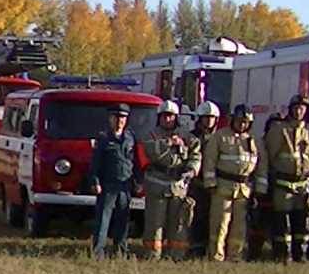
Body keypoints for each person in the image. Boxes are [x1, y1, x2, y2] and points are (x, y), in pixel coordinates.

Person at [258, 94, 309, 263]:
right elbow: (270, 155)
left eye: (302, 109)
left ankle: (301, 255)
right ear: (290, 110)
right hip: (283, 184)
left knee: (302, 222)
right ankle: (282, 255)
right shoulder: (279, 130)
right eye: (296, 108)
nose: (299, 111)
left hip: (303, 184)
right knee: (282, 222)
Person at [140, 100, 202, 260]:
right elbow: (151, 152)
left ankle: (177, 255)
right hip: (156, 184)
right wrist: (168, 142)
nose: (167, 119)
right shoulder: (151, 135)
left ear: (177, 117)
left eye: (171, 116)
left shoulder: (186, 135)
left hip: (178, 185)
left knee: (179, 223)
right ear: (159, 117)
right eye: (164, 116)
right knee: (155, 223)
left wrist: (191, 169)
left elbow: (196, 153)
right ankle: (152, 255)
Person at [202, 104, 259, 262]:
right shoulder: (220, 137)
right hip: (222, 187)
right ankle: (216, 255)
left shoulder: (254, 141)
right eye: (240, 121)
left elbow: (262, 166)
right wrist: (210, 183)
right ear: (232, 120)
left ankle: (235, 255)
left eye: (245, 122)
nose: (242, 124)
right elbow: (210, 161)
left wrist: (260, 188)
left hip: (244, 190)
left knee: (239, 227)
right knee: (219, 224)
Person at [88, 103, 141, 259]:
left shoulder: (130, 138)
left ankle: (121, 251)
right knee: (103, 221)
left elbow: (135, 162)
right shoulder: (103, 138)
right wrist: (95, 181)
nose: (120, 121)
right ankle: (98, 252)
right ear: (110, 118)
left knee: (123, 221)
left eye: (123, 118)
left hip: (125, 186)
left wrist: (139, 180)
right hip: (108, 185)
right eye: (116, 117)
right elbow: (95, 163)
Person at [246, 113, 283, 261]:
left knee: (279, 224)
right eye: (273, 126)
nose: (276, 129)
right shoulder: (259, 143)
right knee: (259, 223)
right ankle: (254, 252)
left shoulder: (287, 143)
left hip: (281, 188)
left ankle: (277, 253)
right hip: (263, 191)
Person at [188, 101, 221, 258]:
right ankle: (195, 248)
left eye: (212, 118)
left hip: (215, 184)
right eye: (205, 118)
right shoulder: (191, 137)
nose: (208, 121)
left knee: (213, 217)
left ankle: (211, 248)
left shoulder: (220, 138)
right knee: (195, 217)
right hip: (196, 184)